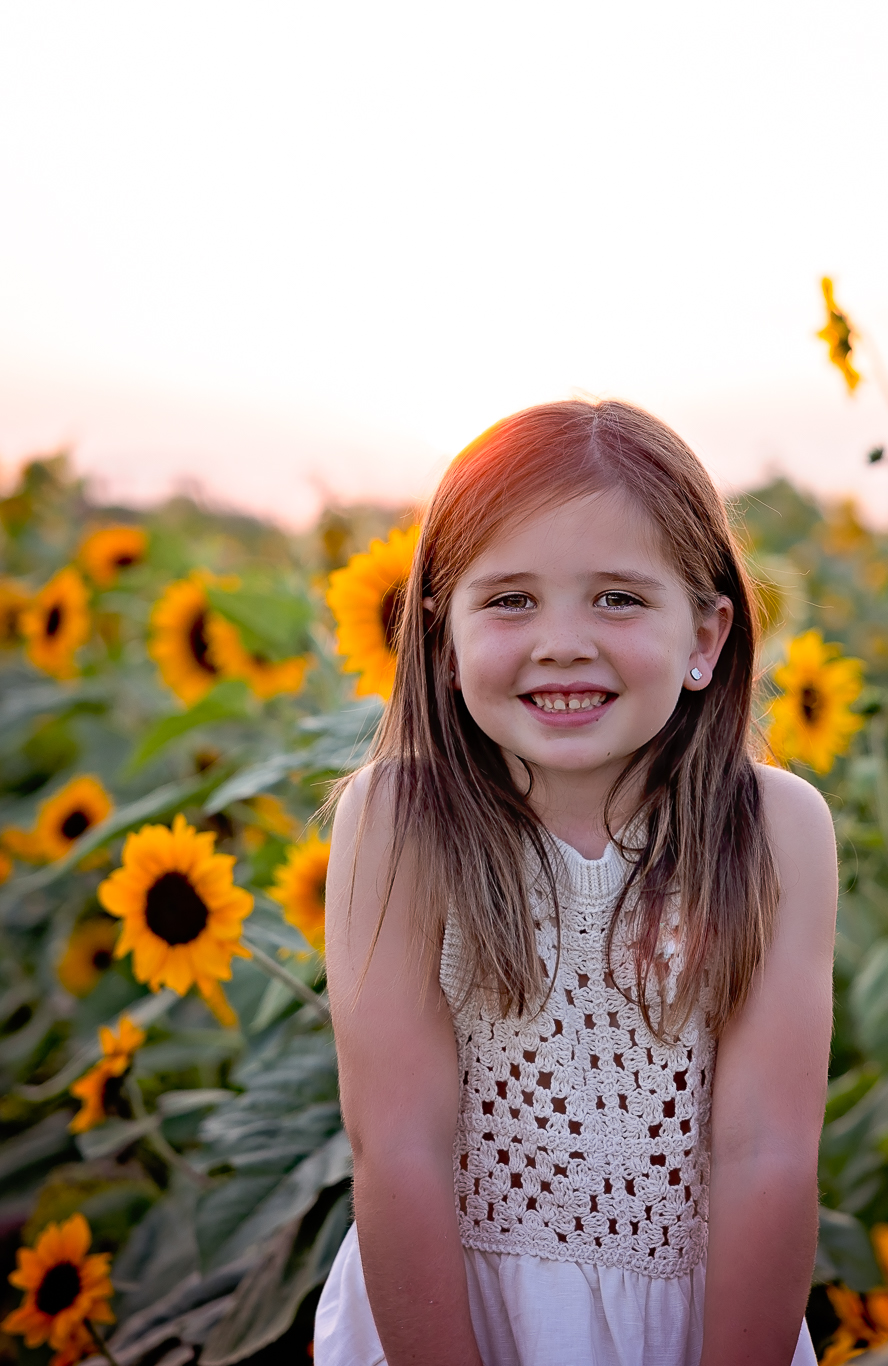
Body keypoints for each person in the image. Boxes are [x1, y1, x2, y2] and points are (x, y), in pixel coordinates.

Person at [315, 399, 837, 1366]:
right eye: (510, 599)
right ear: (440, 634)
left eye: (618, 598)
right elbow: (398, 1148)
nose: (562, 641)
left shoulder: (774, 832)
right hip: (454, 1315)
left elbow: (767, 1153)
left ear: (707, 637)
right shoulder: (402, 822)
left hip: (694, 1324)